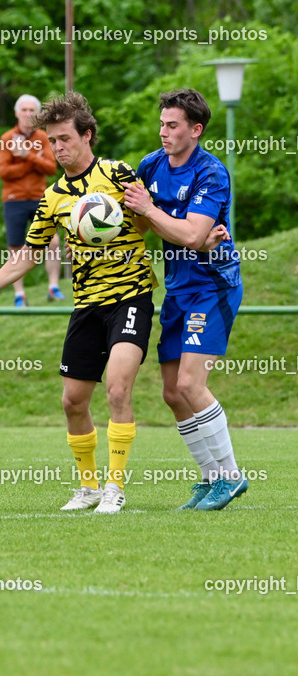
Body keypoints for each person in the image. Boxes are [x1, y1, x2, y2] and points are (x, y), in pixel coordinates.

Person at [0, 92, 157, 514]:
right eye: (53, 141)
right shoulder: (53, 196)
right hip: (87, 305)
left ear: (87, 136)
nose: (58, 147)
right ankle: (89, 487)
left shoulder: (118, 174)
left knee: (118, 389)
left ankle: (115, 487)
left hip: (130, 296)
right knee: (73, 401)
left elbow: (148, 221)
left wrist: (141, 215)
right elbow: (27, 255)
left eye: (66, 139)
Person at [124, 88, 244, 511]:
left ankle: (231, 477)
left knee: (192, 384)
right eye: (161, 124)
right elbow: (143, 224)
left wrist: (158, 216)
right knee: (173, 394)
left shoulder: (211, 172)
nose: (163, 132)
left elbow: (193, 235)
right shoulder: (151, 165)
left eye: (172, 125)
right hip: (177, 289)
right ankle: (210, 478)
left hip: (212, 286)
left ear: (195, 130)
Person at [0, 94, 63, 307]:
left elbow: (51, 167)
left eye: (31, 110)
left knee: (53, 242)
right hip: (14, 199)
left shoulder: (43, 137)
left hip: (39, 197)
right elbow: (4, 172)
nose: (27, 114)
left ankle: (53, 288)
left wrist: (28, 156)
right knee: (16, 247)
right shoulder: (7, 138)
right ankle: (19, 295)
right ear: (16, 113)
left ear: (37, 114)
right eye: (24, 110)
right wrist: (33, 163)